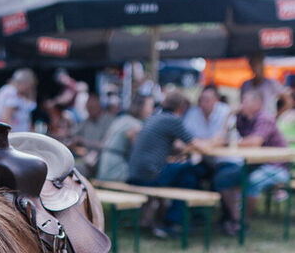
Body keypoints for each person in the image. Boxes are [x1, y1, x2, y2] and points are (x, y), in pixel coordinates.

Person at [127, 90, 213, 235]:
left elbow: (169, 145)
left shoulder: (154, 117)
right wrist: (217, 142)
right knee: (190, 173)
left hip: (135, 173)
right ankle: (174, 222)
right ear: (181, 107)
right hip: (149, 175)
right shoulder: (172, 120)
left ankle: (174, 219)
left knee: (185, 172)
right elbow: (196, 144)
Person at [213, 89, 289, 234]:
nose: (241, 104)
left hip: (276, 166)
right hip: (254, 164)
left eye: (245, 101)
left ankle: (243, 223)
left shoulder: (265, 118)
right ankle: (236, 219)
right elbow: (224, 136)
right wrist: (230, 115)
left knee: (252, 181)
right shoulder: (242, 119)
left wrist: (228, 142)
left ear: (257, 104)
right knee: (221, 179)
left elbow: (255, 141)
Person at [97, 93, 154, 182]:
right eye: (150, 106)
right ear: (141, 106)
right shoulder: (136, 125)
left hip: (105, 162)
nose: (152, 110)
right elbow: (138, 150)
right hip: (116, 166)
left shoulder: (122, 118)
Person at [72, 93, 114, 177]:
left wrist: (83, 141)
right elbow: (72, 134)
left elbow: (106, 145)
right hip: (87, 158)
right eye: (88, 109)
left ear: (99, 106)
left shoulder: (109, 120)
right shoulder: (87, 120)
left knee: (78, 171)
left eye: (91, 108)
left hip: (103, 160)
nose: (89, 111)